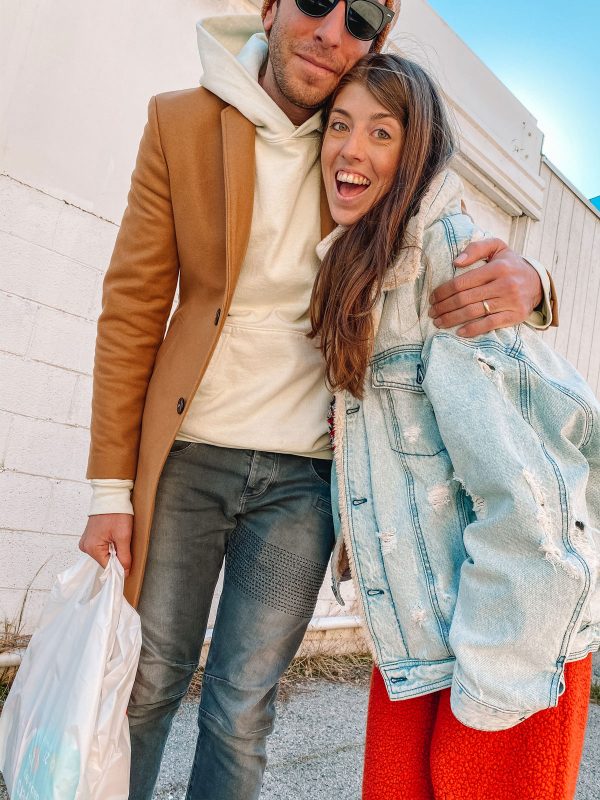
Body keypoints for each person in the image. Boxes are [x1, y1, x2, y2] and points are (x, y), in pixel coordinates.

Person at [79, 2, 556, 798]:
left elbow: (456, 240)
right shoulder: (181, 123)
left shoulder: (370, 143)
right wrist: (108, 491)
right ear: (267, 8)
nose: (330, 28)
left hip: (306, 483)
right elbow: (132, 309)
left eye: (360, 17)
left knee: (242, 709)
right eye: (311, 1)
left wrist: (540, 285)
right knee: (148, 684)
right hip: (188, 459)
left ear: (379, 40)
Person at [311, 52, 599, 799]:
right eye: (339, 126)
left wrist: (494, 684)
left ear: (417, 153)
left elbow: (526, 495)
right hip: (419, 635)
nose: (352, 148)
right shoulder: (362, 266)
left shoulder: (453, 263)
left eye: (382, 132)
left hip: (507, 641)